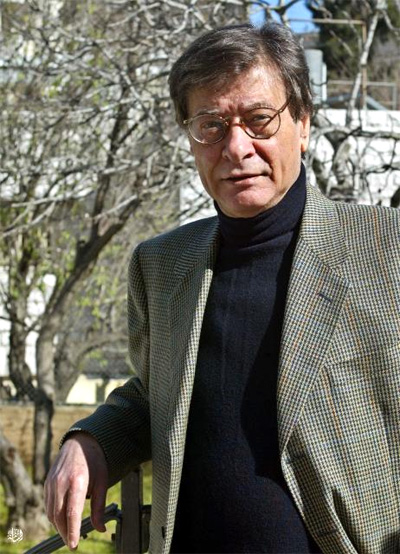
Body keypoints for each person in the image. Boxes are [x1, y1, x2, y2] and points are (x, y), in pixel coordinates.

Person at [44, 22, 400, 554]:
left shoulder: (387, 249)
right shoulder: (160, 264)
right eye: (210, 125)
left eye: (259, 120)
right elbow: (157, 395)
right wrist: (92, 440)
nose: (236, 147)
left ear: (302, 123)